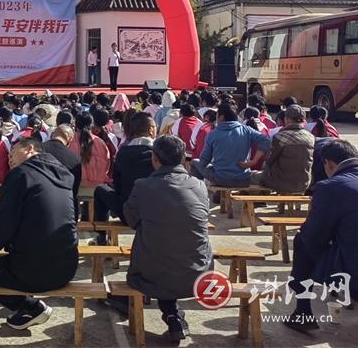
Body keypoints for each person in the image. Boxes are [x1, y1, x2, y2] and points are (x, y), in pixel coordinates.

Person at [284, 139, 358, 332]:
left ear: (328, 163)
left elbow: (313, 236)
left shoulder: (330, 187)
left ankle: (302, 312)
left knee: (302, 240)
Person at [0, 138, 78, 330]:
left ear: (30, 148)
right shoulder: (65, 175)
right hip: (67, 268)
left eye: (13, 151)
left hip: (32, 272)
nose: (9, 158)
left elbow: (4, 224)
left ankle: (31, 307)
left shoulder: (20, 175)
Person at [116, 135, 213, 342]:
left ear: (155, 159)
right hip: (198, 272)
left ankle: (172, 315)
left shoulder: (143, 186)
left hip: (153, 272)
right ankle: (173, 315)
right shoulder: (199, 185)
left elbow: (131, 220)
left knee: (159, 256)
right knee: (171, 252)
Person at [93, 112, 156, 245]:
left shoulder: (123, 152)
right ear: (151, 129)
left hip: (128, 212)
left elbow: (117, 183)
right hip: (155, 213)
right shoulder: (159, 152)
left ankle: (101, 237)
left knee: (100, 190)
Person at [190, 103, 270, 187]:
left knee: (194, 163)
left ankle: (199, 192)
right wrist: (253, 161)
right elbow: (265, 140)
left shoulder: (213, 134)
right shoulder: (246, 130)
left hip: (220, 178)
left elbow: (203, 162)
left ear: (221, 117)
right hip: (243, 178)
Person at [245, 105, 314, 194]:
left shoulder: (280, 137)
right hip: (304, 183)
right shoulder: (310, 137)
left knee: (250, 176)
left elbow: (269, 161)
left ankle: (252, 201)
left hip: (281, 182)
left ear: (287, 119)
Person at [41, 124, 82, 218]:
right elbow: (74, 190)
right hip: (64, 208)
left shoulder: (38, 149)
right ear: (70, 140)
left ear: (52, 135)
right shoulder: (76, 159)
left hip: (38, 202)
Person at [69, 111, 111, 191]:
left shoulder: (69, 141)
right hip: (97, 188)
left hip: (75, 187)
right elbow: (106, 166)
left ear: (75, 124)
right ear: (92, 125)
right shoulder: (100, 143)